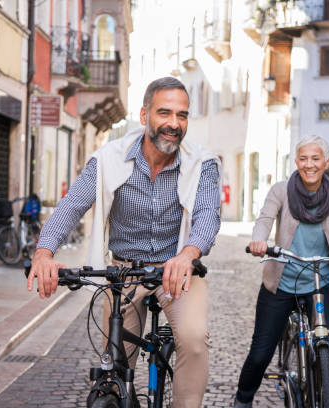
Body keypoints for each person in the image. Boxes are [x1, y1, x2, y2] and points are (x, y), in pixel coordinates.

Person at [27, 76, 222, 408]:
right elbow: (73, 204)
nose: (174, 124)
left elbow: (207, 216)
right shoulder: (109, 158)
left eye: (182, 115)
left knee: (193, 340)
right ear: (144, 115)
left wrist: (188, 254)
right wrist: (44, 253)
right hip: (123, 273)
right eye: (165, 113)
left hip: (177, 268)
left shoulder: (202, 164)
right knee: (115, 364)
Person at [233, 135, 329, 408]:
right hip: (282, 284)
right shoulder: (281, 191)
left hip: (320, 284)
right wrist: (259, 241)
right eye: (303, 158)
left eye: (315, 158)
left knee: (328, 347)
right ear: (296, 162)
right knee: (260, 353)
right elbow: (264, 219)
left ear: (327, 162)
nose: (309, 165)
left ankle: (324, 393)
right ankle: (242, 400)